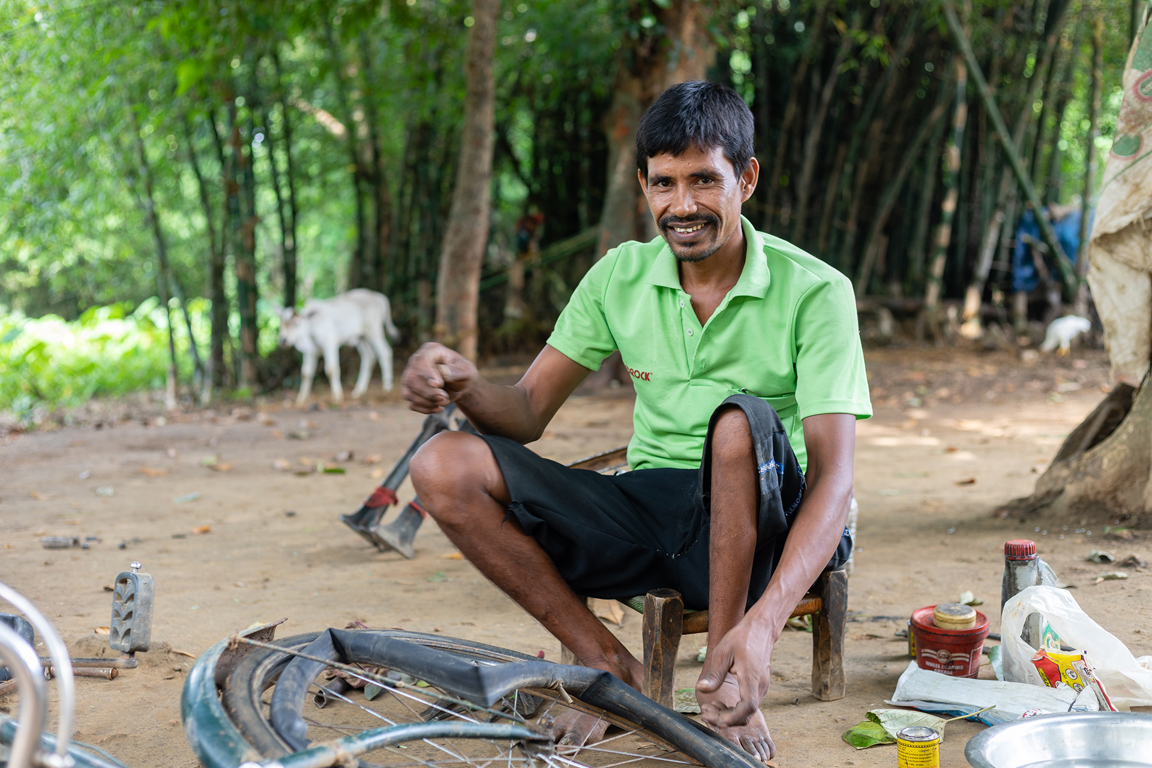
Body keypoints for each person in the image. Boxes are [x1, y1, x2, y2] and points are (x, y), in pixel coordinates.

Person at [401, 80, 871, 764]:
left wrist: (764, 628)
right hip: (647, 511)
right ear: (644, 184)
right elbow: (527, 413)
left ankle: (725, 683)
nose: (682, 205)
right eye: (664, 183)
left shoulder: (816, 290)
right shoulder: (620, 275)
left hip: (770, 527)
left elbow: (835, 480)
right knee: (441, 464)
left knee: (737, 423)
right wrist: (467, 381)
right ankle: (607, 671)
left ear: (747, 178)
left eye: (705, 181)